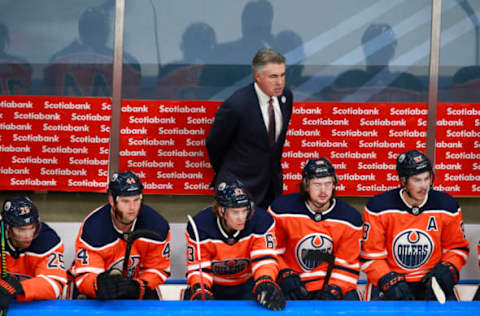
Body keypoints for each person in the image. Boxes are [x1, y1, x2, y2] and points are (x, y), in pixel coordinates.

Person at [361, 149, 469, 301]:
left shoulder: (447, 205)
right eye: (417, 180)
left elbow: (457, 248)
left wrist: (448, 269)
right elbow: (371, 256)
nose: (424, 186)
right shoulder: (378, 207)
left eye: (427, 179)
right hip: (391, 282)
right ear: (403, 181)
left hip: (431, 282)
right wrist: (388, 281)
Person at [206, 48, 293, 209]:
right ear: (258, 76)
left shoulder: (286, 97)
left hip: (272, 188)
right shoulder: (236, 105)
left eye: (282, 75)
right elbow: (214, 144)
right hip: (240, 187)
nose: (280, 82)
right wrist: (232, 174)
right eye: (273, 76)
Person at [268, 158, 363, 300]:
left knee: (350, 302)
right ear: (306, 186)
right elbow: (270, 251)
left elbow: (346, 263)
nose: (323, 191)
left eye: (328, 184)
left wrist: (334, 290)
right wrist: (284, 274)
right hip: (291, 282)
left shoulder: (349, 219)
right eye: (317, 185)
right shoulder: (282, 210)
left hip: (327, 284)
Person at [184, 179, 285, 310]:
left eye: (245, 211)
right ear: (221, 211)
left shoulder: (261, 221)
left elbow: (264, 260)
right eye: (235, 212)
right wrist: (200, 290)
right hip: (214, 286)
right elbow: (199, 269)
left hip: (247, 285)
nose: (241, 218)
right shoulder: (199, 226)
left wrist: (265, 281)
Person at [69, 171, 170, 300]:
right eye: (125, 201)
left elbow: (158, 269)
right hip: (99, 287)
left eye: (137, 200)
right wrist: (99, 284)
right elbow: (86, 276)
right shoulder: (93, 227)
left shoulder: (157, 226)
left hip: (134, 283)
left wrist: (138, 287)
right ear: (112, 200)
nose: (132, 208)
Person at [0, 197, 66, 313]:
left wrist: (19, 287)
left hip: (38, 305)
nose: (28, 235)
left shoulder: (48, 240)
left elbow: (55, 284)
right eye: (21, 230)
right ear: (7, 228)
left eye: (31, 228)